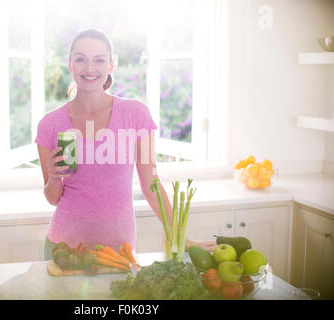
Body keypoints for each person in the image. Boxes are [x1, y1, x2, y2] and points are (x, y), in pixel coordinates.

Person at [35, 28, 215, 260]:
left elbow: (151, 182)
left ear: (112, 65)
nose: (90, 68)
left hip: (119, 250)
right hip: (64, 249)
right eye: (81, 59)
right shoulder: (50, 124)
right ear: (70, 64)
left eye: (99, 60)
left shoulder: (135, 114)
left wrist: (179, 235)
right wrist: (53, 175)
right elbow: (52, 198)